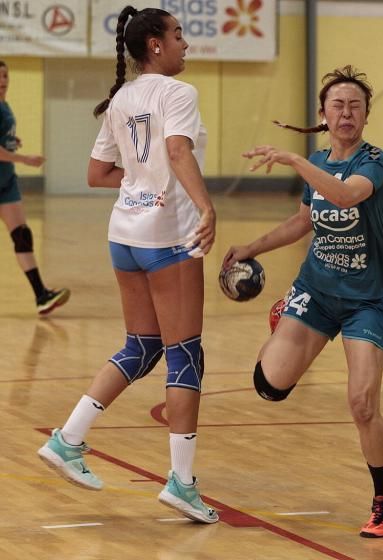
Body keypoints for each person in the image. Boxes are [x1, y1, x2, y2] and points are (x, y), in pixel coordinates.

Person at [37, 6, 218, 524]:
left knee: (142, 346)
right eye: (178, 35)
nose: (185, 43)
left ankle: (68, 438)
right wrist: (205, 206)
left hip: (125, 237)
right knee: (185, 354)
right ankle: (182, 483)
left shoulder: (121, 98)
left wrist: (142, 182)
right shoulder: (178, 93)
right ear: (155, 45)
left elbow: (97, 173)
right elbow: (178, 151)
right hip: (167, 238)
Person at [223, 65, 383, 538]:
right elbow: (303, 221)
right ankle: (287, 314)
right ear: (323, 114)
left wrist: (294, 161)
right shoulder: (319, 162)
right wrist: (251, 248)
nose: (347, 113)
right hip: (316, 292)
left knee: (362, 405)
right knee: (269, 387)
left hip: (366, 301)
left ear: (366, 115)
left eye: (356, 105)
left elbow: (343, 197)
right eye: (337, 105)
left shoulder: (375, 162)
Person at [0, 60, 70, 315]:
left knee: (22, 236)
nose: (3, 81)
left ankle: (41, 295)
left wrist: (11, 141)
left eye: (5, 76)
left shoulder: (5, 105)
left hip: (6, 183)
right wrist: (24, 159)